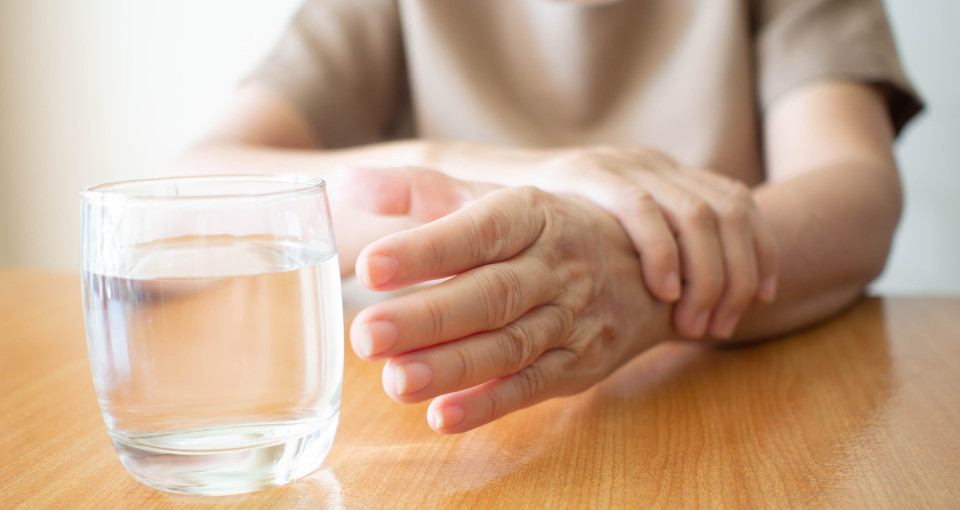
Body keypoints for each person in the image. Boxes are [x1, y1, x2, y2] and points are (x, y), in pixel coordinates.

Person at [177, 0, 922, 434]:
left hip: (734, 403)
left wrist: (635, 287)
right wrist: (525, 177)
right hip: (446, 412)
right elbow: (198, 185)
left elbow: (856, 190)